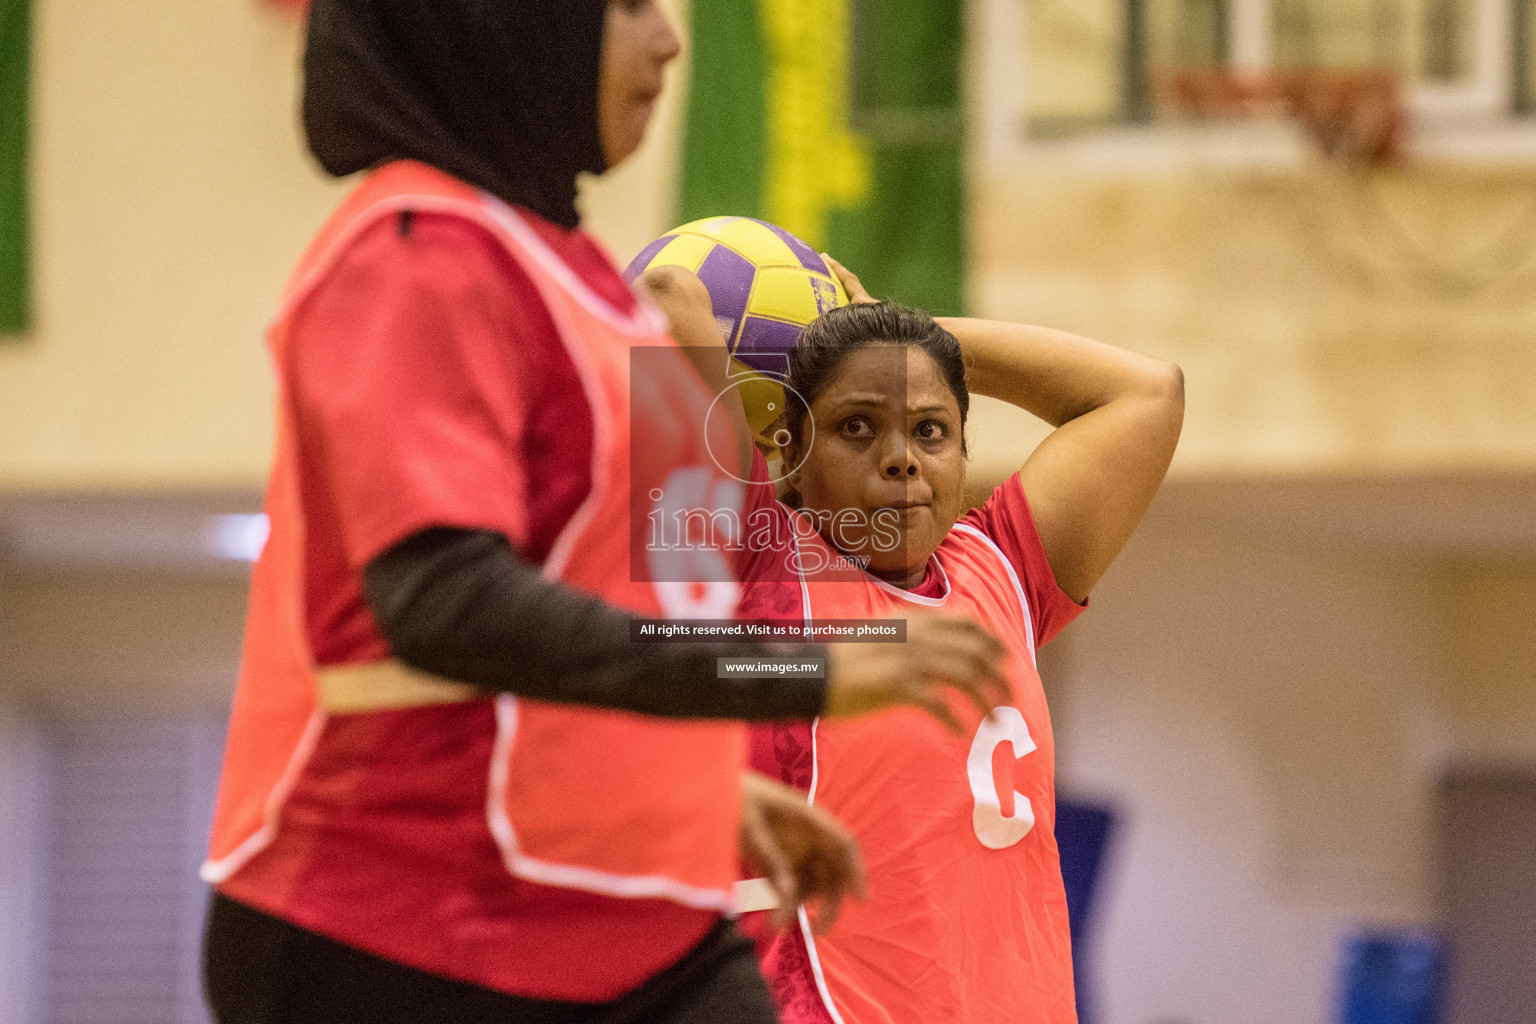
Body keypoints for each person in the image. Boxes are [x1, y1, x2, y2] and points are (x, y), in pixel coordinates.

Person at [199, 3, 1009, 1023]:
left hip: (587, 902)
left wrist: (680, 786)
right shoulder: (414, 252)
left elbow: (615, 600)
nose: (670, 38)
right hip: (389, 917)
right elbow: (448, 605)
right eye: (628, 5)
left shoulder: (580, 274)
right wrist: (798, 668)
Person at [712, 260, 1186, 1024]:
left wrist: (911, 340)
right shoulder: (763, 565)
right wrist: (843, 347)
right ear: (791, 462)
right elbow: (667, 335)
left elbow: (1146, 394)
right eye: (856, 426)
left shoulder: (1003, 570)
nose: (901, 456)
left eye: (930, 430)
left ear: (963, 456)